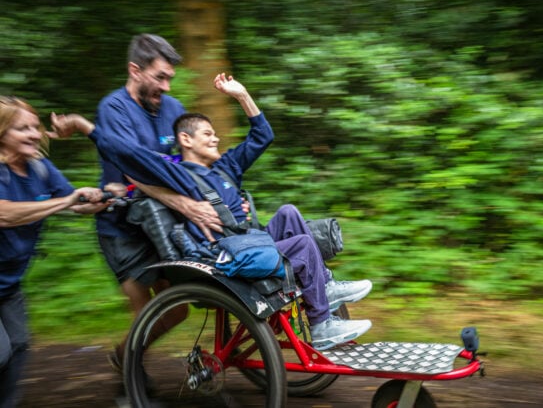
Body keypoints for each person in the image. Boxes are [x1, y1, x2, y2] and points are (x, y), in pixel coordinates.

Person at [53, 73, 373, 350]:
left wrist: (241, 95)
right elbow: (127, 153)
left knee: (289, 212)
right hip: (223, 256)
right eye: (208, 134)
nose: (216, 137)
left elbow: (263, 136)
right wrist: (84, 127)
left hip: (248, 242)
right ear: (185, 140)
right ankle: (321, 327)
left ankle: (325, 287)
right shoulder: (176, 174)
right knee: (302, 246)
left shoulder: (226, 166)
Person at [89, 34, 224, 371]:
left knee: (176, 309)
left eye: (170, 78)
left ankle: (123, 358)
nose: (165, 86)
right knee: (145, 312)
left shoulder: (174, 110)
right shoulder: (114, 109)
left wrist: (223, 196)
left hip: (161, 224)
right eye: (159, 77)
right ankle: (132, 375)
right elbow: (134, 173)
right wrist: (184, 204)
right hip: (120, 229)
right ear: (135, 70)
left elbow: (192, 165)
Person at [0, 96, 114, 408]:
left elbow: (75, 203)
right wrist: (65, 202)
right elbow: (5, 214)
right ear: (2, 133)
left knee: (20, 345)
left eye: (35, 127)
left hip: (8, 283)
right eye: (22, 129)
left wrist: (100, 198)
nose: (35, 135)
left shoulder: (39, 167)